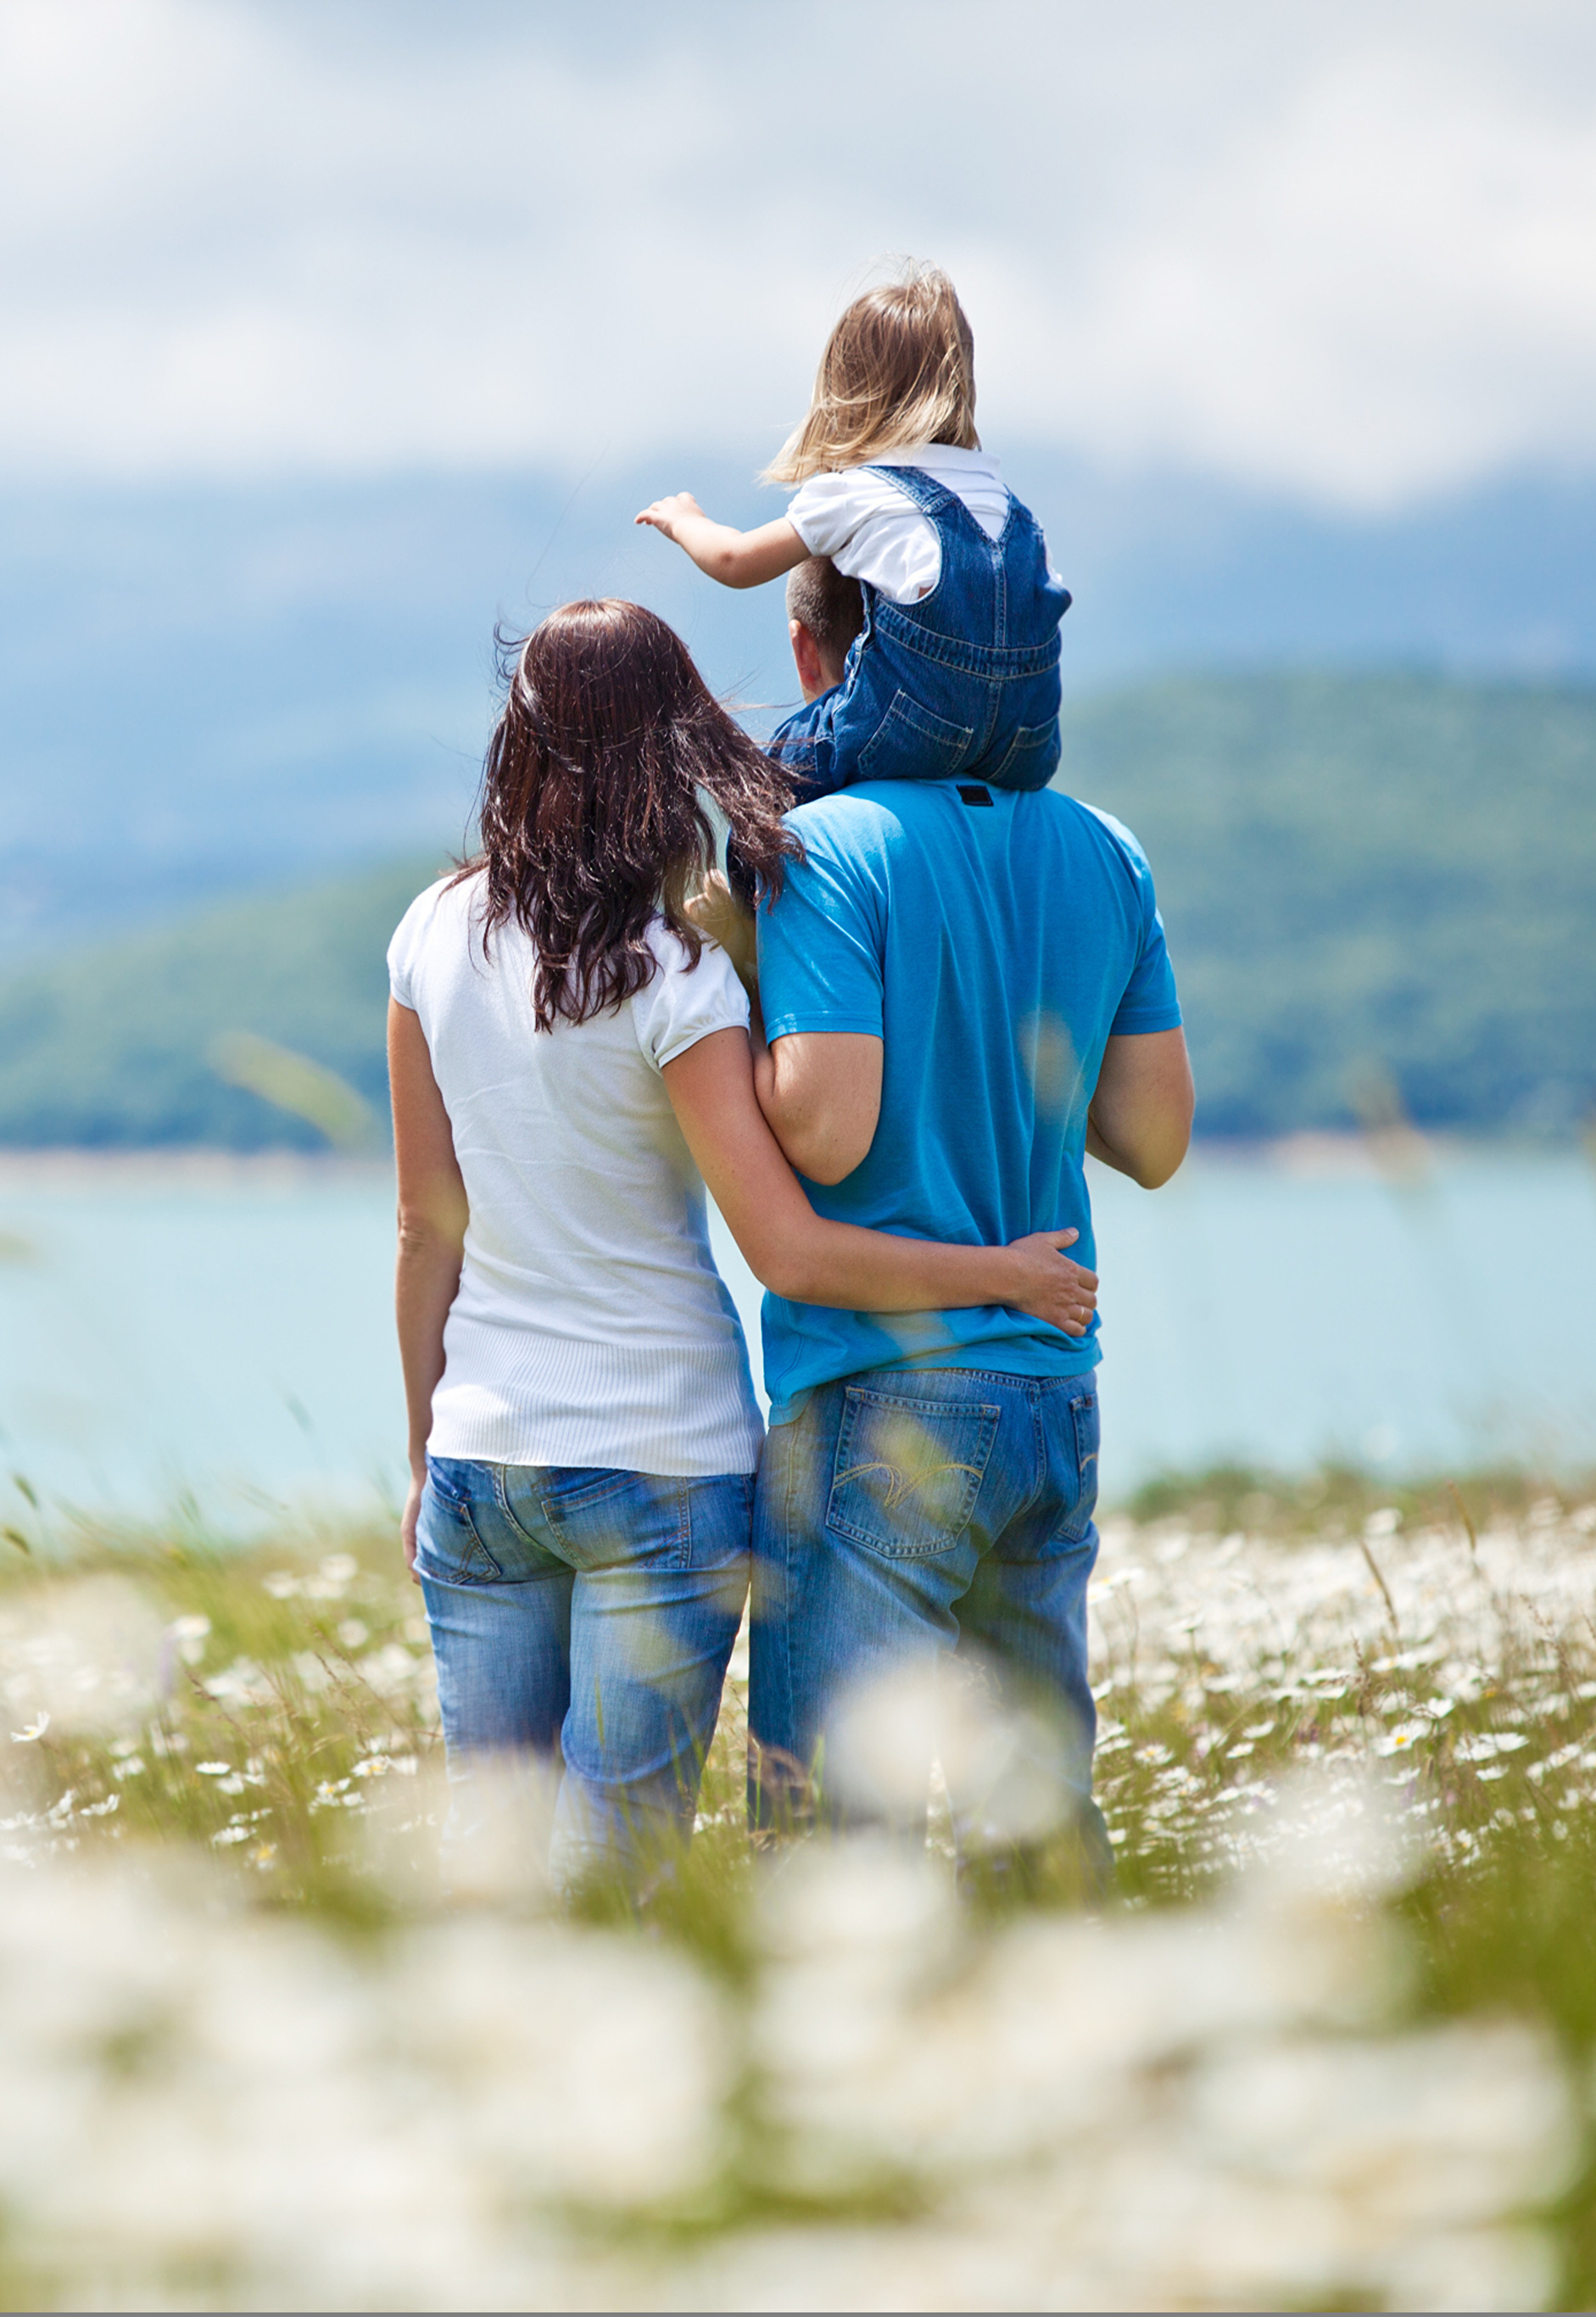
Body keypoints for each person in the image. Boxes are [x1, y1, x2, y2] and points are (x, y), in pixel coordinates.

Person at [386, 599, 1097, 1890]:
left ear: (522, 738)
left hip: (480, 1456)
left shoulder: (430, 932)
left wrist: (422, 1448)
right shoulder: (678, 975)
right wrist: (1003, 1276)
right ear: (668, 748)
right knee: (620, 1877)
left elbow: (424, 1228)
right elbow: (795, 1251)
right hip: (659, 1463)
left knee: (486, 1871)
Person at [744, 588, 1195, 1868]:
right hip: (1055, 1387)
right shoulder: (1106, 849)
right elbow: (1155, 1144)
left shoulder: (823, 848)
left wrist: (736, 983)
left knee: (837, 1830)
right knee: (1037, 1824)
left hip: (881, 1393)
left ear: (812, 646)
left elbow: (826, 1131)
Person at [635, 260, 1071, 800]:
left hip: (916, 727)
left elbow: (734, 561)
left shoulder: (859, 490)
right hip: (1026, 741)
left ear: (847, 396)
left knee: (773, 777)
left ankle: (744, 885)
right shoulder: (1010, 504)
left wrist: (686, 522)